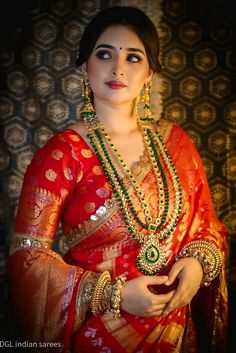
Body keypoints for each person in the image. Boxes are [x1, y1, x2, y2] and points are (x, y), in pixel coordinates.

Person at [8, 6, 228, 353]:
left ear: (150, 72)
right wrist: (115, 294)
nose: (118, 68)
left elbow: (207, 227)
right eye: (105, 54)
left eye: (134, 57)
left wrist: (198, 263)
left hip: (176, 332)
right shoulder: (63, 153)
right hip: (101, 333)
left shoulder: (176, 144)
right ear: (85, 66)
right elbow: (27, 256)